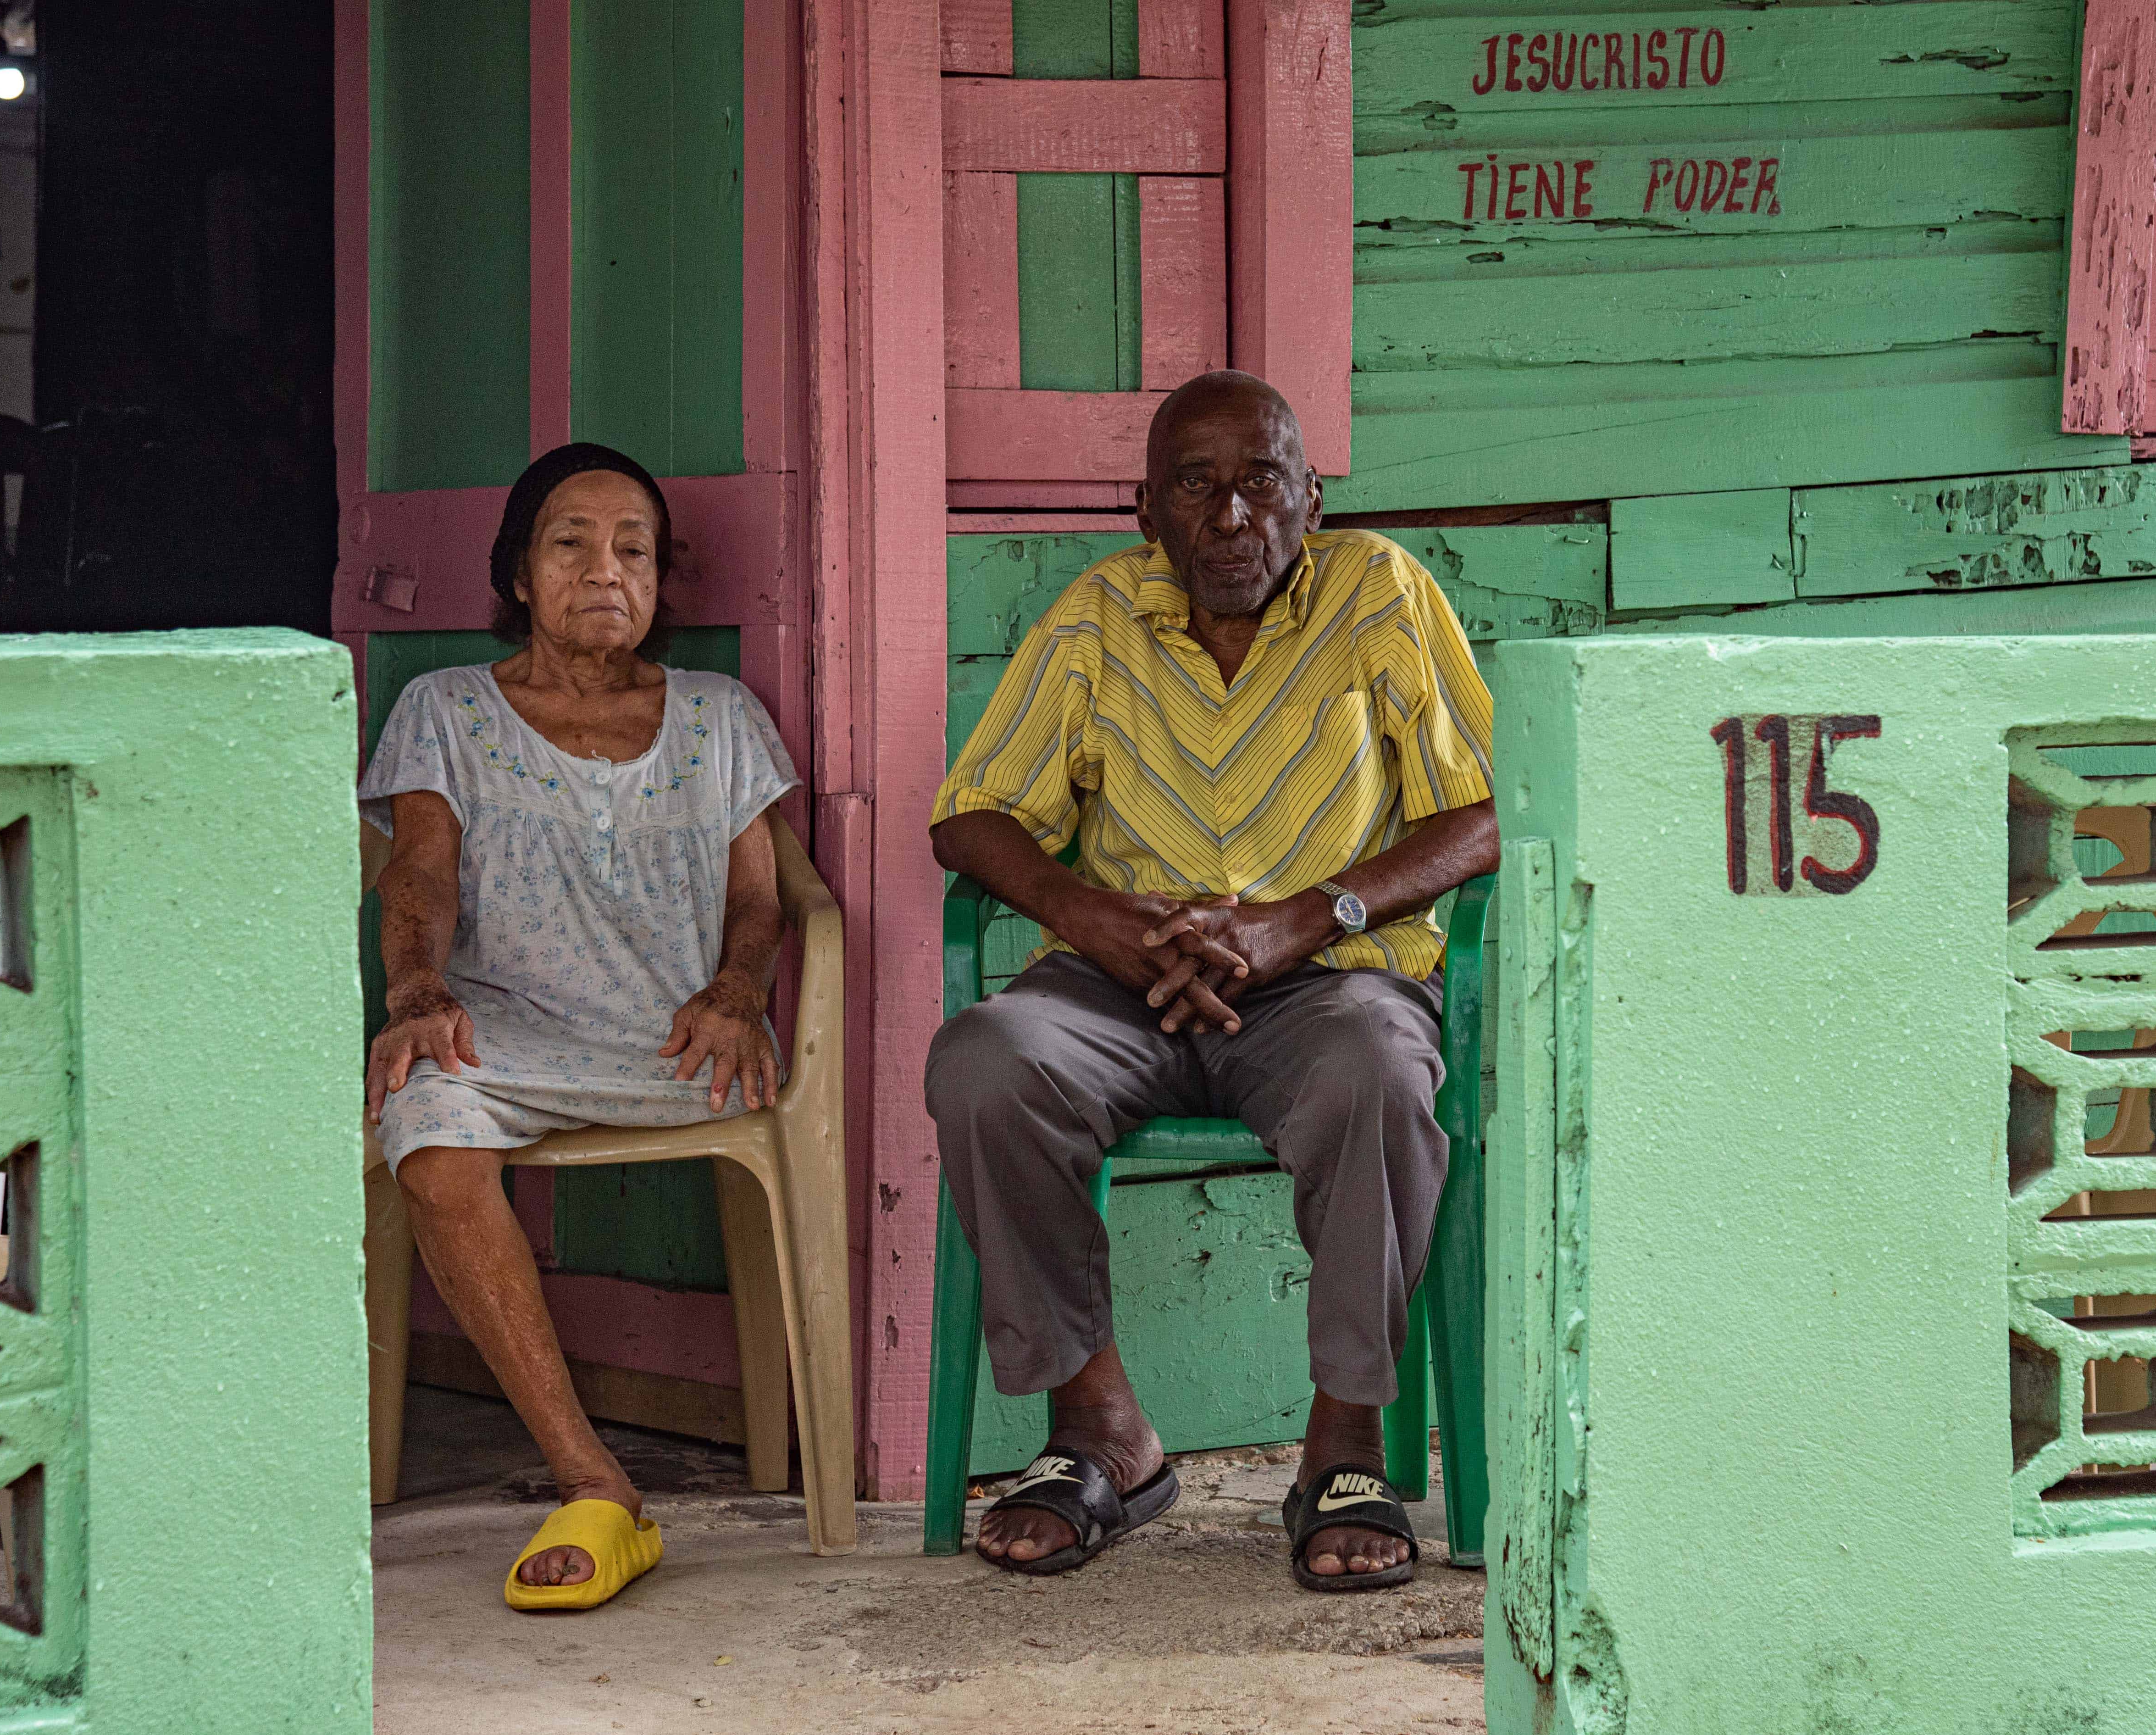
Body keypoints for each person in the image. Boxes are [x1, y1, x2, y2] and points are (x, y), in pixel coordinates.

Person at [924, 371, 1497, 1591]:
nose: (1233, 516)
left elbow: (1480, 815)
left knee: (1383, 1074)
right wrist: (1099, 922)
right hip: (1122, 986)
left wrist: (1305, 919)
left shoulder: (1377, 594)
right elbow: (972, 820)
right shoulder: (1096, 619)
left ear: (1311, 499)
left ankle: (1346, 1449)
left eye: (1262, 481)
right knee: (986, 1062)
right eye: (1198, 485)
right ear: (1147, 512)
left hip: (1325, 982)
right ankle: (1102, 1435)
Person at [360, 442, 801, 1611]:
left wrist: (739, 987)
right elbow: (420, 874)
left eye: (634, 549)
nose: (605, 569)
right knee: (430, 1124)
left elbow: (762, 899)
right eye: (570, 542)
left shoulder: (718, 715)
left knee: (450, 1098)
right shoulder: (445, 709)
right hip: (501, 1035)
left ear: (661, 580)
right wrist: (416, 991)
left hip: (679, 1048)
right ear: (516, 572)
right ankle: (593, 1477)